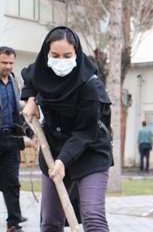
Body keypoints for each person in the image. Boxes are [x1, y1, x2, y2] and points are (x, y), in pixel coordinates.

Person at [21, 26, 113, 232]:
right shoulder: (42, 72)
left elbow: (85, 133)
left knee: (93, 218)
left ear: (77, 54)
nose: (60, 61)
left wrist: (64, 160)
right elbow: (29, 77)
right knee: (51, 222)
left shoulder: (90, 86)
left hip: (90, 151)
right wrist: (30, 99)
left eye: (67, 55)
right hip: (52, 149)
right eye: (55, 55)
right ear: (47, 54)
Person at [0, 46, 30, 232]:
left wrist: (29, 132)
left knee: (12, 181)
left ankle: (13, 222)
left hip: (11, 139)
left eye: (11, 63)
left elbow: (17, 111)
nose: (8, 66)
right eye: (4, 62)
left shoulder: (14, 81)